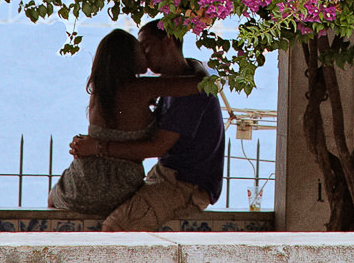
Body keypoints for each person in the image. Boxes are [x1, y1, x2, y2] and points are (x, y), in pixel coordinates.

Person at [71, 19, 224, 231]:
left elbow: (156, 147)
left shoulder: (188, 90)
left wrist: (97, 147)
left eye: (146, 46)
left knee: (115, 228)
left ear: (169, 40)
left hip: (184, 186)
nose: (142, 54)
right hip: (166, 176)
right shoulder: (175, 83)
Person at [47, 27, 205, 218]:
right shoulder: (140, 88)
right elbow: (199, 84)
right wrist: (195, 65)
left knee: (53, 198)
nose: (145, 55)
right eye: (141, 49)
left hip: (82, 182)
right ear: (128, 56)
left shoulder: (100, 90)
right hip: (122, 187)